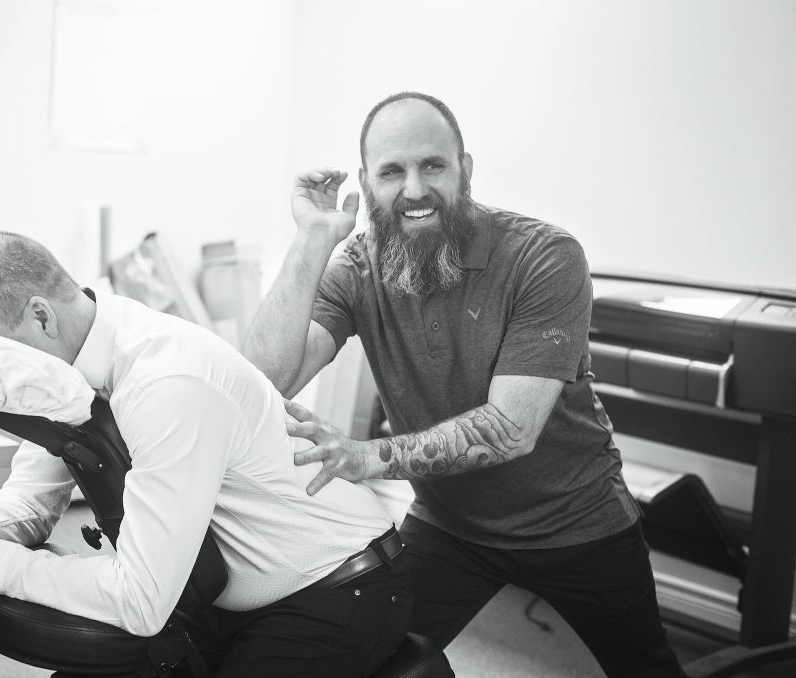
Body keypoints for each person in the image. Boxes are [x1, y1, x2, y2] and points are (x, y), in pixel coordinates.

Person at [243, 91, 686, 678]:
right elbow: (265, 377)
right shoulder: (356, 264)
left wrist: (365, 457)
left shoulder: (543, 256)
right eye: (392, 171)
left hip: (576, 522)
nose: (415, 189)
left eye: (433, 165)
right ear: (366, 183)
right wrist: (313, 238)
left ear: (465, 170)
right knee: (381, 658)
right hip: (452, 526)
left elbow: (510, 430)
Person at [0, 231, 413, 677]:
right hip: (216, 595)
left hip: (339, 591)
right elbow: (31, 501)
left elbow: (140, 599)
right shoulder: (65, 372)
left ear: (41, 316)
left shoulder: (167, 384)